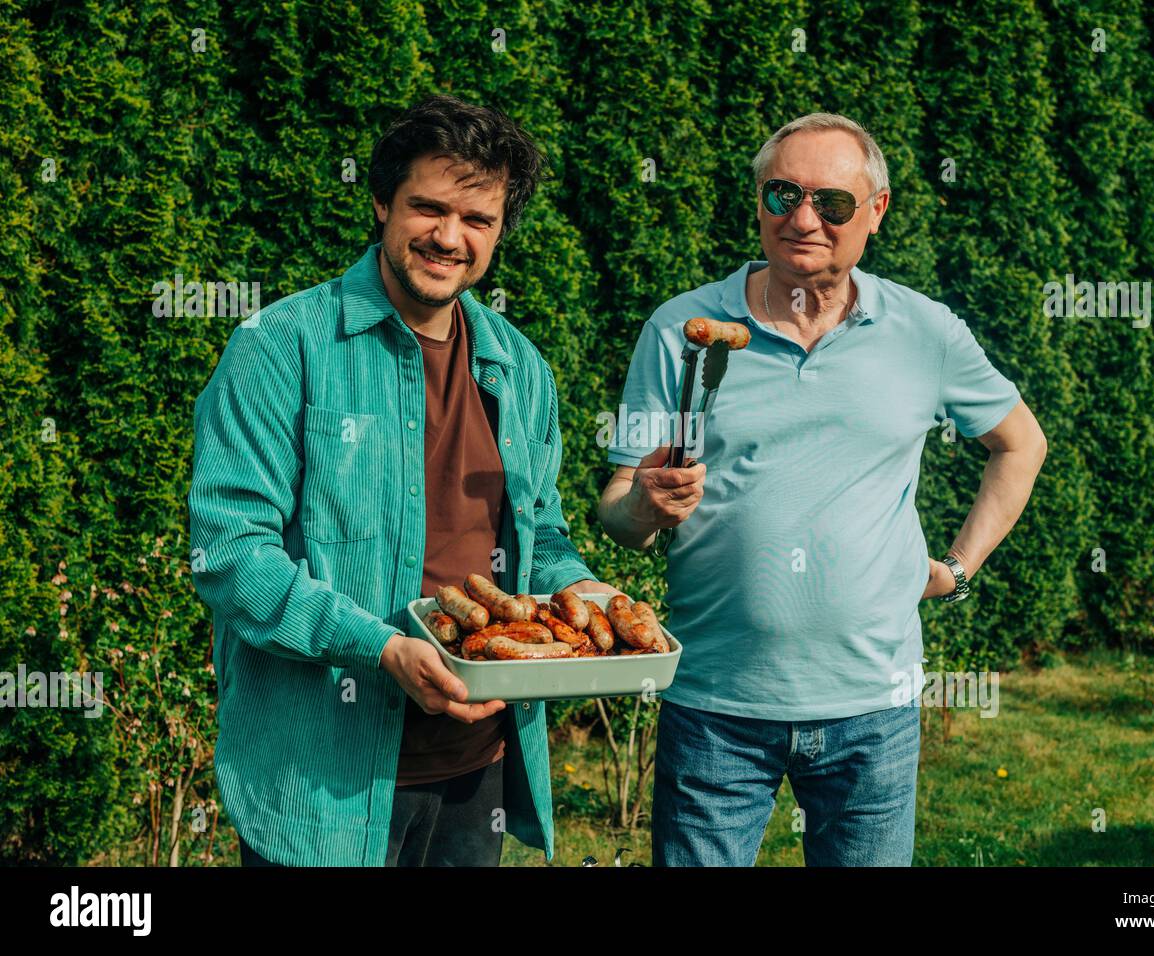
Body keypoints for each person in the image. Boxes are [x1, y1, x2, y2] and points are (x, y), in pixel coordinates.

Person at [598, 112, 1048, 866]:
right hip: (714, 704)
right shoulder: (683, 329)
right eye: (782, 195)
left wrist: (960, 568)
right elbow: (619, 514)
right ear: (759, 204)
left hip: (872, 710)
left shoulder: (924, 331)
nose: (803, 219)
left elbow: (1020, 443)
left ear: (876, 211)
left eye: (832, 202)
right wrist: (646, 503)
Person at [188, 94, 614, 866]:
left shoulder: (520, 369)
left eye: (477, 220)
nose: (449, 237)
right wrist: (381, 650)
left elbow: (538, 536)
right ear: (383, 203)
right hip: (324, 775)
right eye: (428, 208)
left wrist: (588, 595)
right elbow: (231, 555)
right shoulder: (281, 348)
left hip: (476, 767)